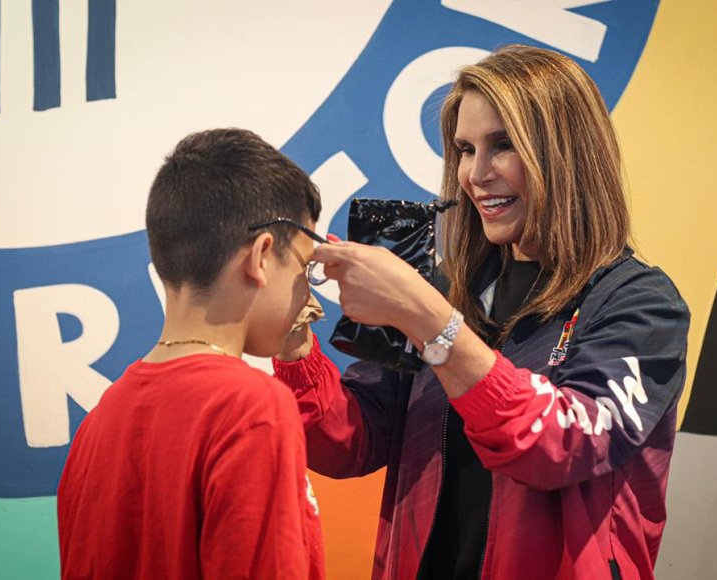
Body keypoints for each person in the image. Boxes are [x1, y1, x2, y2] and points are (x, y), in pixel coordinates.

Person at [276, 45, 690, 580]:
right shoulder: (447, 291)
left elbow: (560, 446)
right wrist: (292, 333)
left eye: (503, 146)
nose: (475, 174)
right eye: (464, 150)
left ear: (567, 154)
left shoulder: (640, 304)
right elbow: (349, 443)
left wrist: (432, 324)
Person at [57, 128, 326, 579]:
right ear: (261, 256)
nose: (307, 290)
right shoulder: (251, 408)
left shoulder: (97, 423)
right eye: (305, 266)